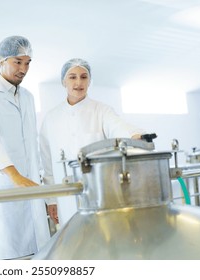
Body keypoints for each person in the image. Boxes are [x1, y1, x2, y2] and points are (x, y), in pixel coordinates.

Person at [39, 58, 145, 227]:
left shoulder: (102, 110)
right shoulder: (51, 118)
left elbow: (118, 126)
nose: (78, 82)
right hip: (65, 198)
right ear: (63, 81)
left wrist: (134, 135)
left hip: (100, 193)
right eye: (72, 77)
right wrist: (51, 199)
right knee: (73, 243)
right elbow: (47, 162)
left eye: (84, 77)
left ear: (89, 81)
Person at [0, 36, 50, 260]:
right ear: (1, 61)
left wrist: (43, 190)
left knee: (38, 255)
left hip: (30, 184)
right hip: (4, 184)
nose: (23, 69)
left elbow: (32, 144)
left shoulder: (28, 97)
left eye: (28, 63)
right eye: (18, 61)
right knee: (9, 255)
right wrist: (15, 176)